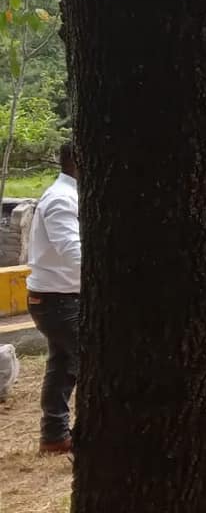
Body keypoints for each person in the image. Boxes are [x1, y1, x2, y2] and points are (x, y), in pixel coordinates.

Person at [26, 142, 81, 454]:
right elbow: (74, 254)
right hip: (58, 300)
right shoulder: (61, 199)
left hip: (57, 297)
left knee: (63, 365)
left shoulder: (67, 195)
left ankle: (54, 436)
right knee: (95, 361)